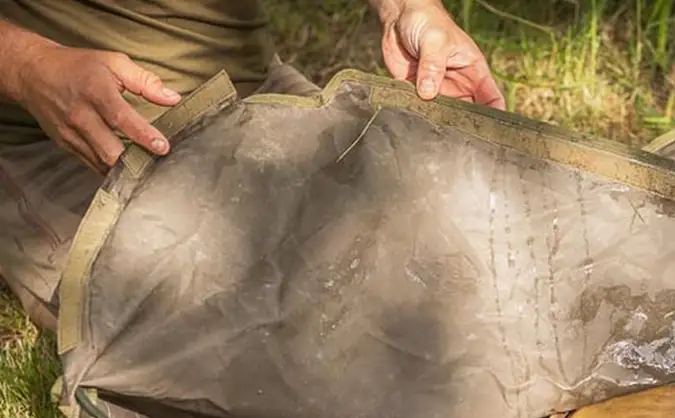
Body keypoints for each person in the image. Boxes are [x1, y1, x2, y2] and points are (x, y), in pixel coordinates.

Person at [0, 0, 504, 332]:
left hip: (255, 96)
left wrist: (409, 8)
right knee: (232, 339)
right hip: (70, 135)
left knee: (467, 255)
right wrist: (28, 67)